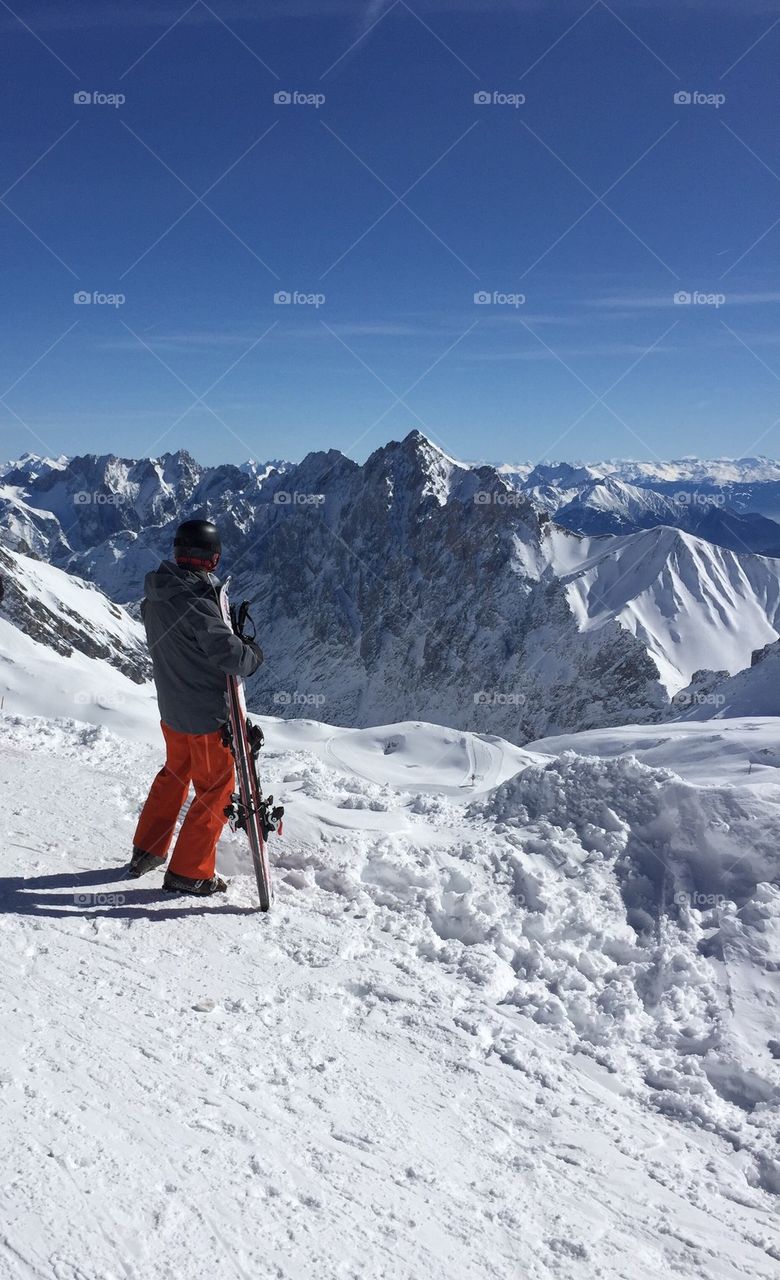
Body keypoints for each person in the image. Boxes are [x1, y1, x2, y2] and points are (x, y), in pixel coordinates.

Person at [128, 518, 262, 896]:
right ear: (213, 560)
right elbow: (231, 656)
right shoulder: (196, 602)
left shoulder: (154, 597)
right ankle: (189, 871)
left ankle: (148, 849)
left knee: (174, 774)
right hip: (206, 716)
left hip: (172, 711)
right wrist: (252, 652)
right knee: (216, 788)